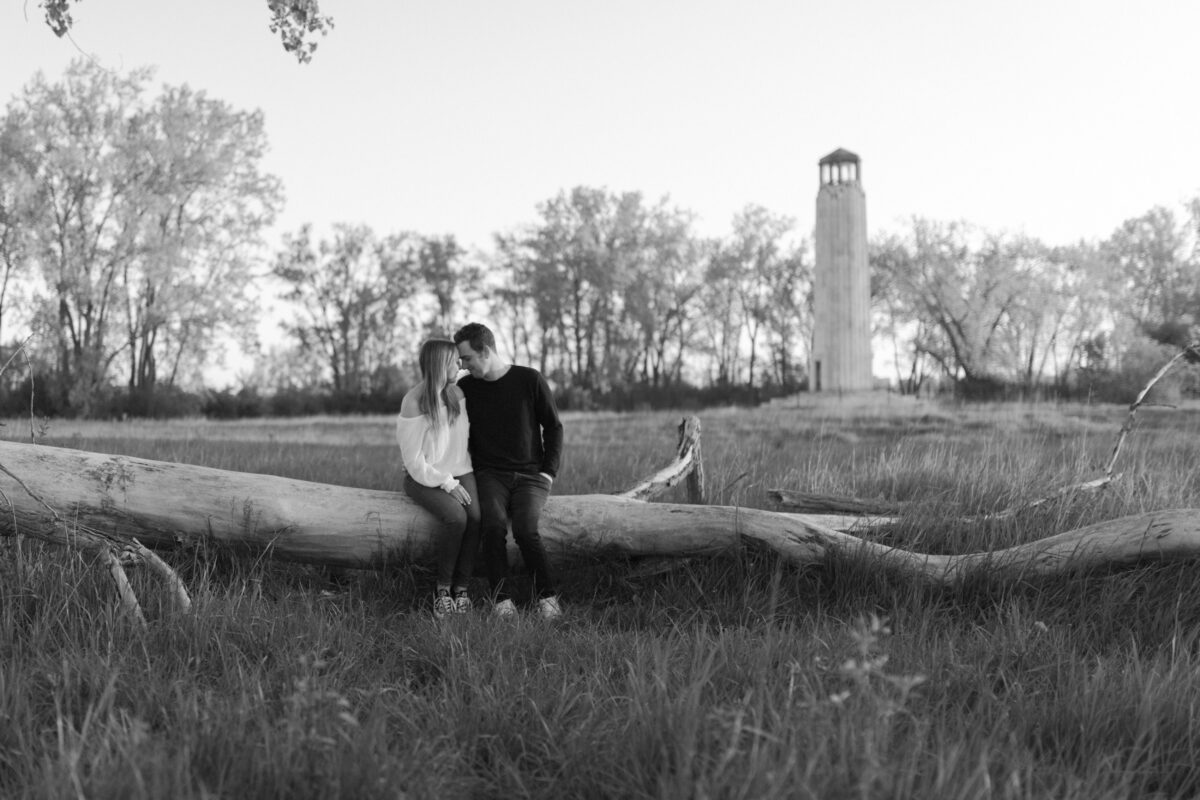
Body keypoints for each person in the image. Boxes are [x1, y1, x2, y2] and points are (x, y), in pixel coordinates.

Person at [453, 322, 564, 620]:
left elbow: (553, 427)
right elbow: (444, 425)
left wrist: (547, 472)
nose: (461, 365)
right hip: (489, 475)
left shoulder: (529, 379)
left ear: (485, 351)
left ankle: (548, 597)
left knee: (527, 531)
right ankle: (502, 600)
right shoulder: (465, 388)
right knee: (493, 526)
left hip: (531, 476)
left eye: (466, 359)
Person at [395, 338, 481, 618]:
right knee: (456, 518)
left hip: (461, 469)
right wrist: (447, 483)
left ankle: (462, 589)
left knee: (477, 518)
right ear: (440, 364)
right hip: (422, 477)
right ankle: (442, 590)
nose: (460, 365)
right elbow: (414, 462)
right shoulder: (413, 402)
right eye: (455, 361)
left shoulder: (457, 394)